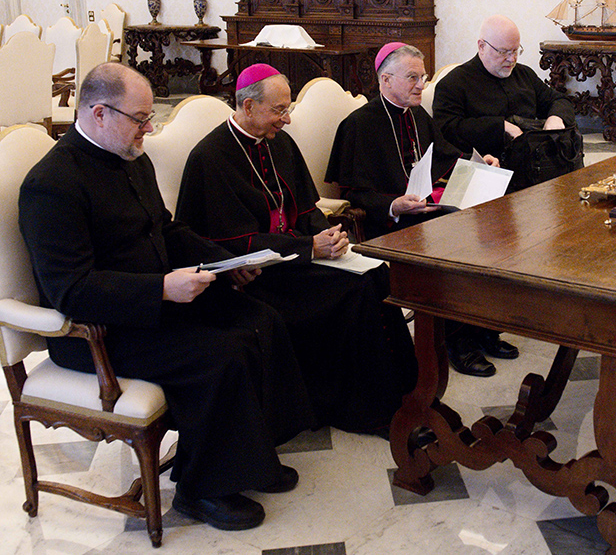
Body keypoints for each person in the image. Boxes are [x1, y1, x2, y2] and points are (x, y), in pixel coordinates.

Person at [18, 62, 314, 531]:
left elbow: (167, 229)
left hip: (155, 303)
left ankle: (252, 458)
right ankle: (201, 490)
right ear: (99, 113)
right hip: (97, 331)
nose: (149, 128)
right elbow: (69, 290)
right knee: (219, 355)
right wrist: (161, 289)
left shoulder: (131, 157)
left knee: (261, 318)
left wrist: (225, 261)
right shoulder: (51, 185)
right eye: (140, 118)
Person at [175, 63, 417, 434]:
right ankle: (364, 409)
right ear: (248, 106)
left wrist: (331, 236)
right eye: (278, 110)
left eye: (287, 108)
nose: (286, 120)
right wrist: (309, 248)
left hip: (297, 255)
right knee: (352, 292)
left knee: (374, 274)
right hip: (258, 274)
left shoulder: (279, 143)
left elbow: (306, 208)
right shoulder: (211, 157)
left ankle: (407, 392)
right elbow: (231, 242)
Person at [327, 42, 518, 378]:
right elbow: (352, 193)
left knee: (490, 217)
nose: (421, 85)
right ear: (385, 80)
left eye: (424, 76)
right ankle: (457, 342)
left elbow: (445, 154)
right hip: (385, 223)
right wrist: (393, 204)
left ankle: (481, 328)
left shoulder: (416, 114)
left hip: (423, 212)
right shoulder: (359, 124)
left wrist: (478, 162)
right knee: (456, 231)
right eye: (413, 77)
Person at [432, 15, 578, 173]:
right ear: (482, 46)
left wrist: (555, 119)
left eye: (515, 51)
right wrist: (501, 127)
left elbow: (559, 100)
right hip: (486, 169)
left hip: (533, 167)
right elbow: (447, 131)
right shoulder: (453, 83)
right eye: (503, 52)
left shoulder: (523, 74)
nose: (512, 59)